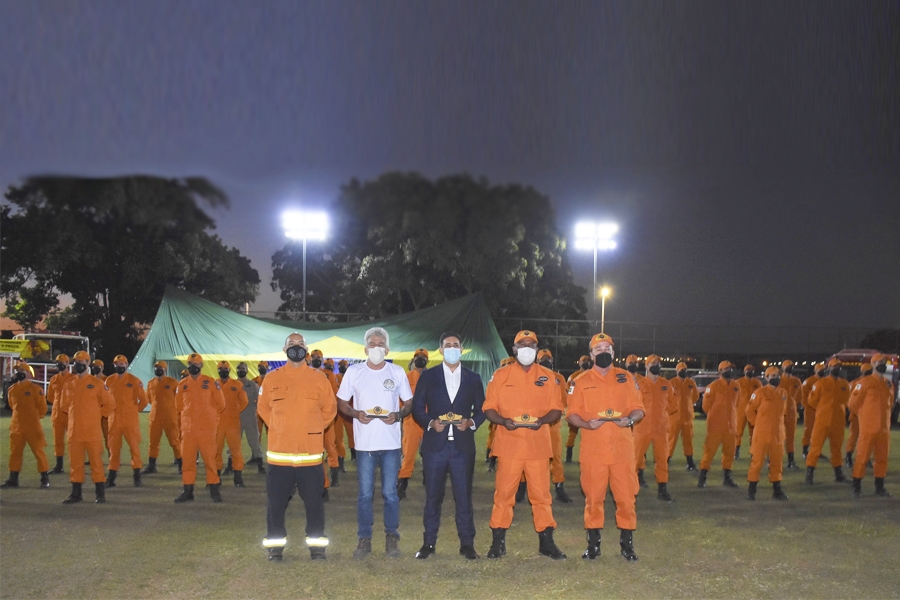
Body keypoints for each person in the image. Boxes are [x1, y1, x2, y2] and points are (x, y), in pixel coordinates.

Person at [483, 330, 566, 560]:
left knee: (541, 496)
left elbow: (557, 409)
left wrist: (543, 420)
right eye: (522, 344)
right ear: (514, 348)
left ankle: (546, 543)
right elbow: (489, 408)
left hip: (538, 448)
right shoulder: (501, 376)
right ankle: (498, 543)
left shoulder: (549, 377)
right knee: (504, 496)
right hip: (509, 446)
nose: (527, 348)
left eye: (531, 344)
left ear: (537, 349)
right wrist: (502, 421)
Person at [257, 333, 336, 561]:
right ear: (284, 349)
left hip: (310, 458)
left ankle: (317, 547)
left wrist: (312, 428)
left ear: (307, 350)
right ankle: (275, 548)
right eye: (292, 345)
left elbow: (329, 410)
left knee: (315, 505)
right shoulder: (271, 379)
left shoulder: (319, 379)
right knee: (275, 505)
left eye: (300, 345)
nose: (296, 348)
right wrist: (281, 426)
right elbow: (263, 408)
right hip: (279, 457)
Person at [336, 327, 413, 559]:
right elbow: (341, 402)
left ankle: (392, 537)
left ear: (387, 348)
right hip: (365, 445)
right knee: (365, 494)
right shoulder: (354, 372)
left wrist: (398, 415)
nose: (376, 348)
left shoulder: (397, 372)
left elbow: (409, 402)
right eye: (372, 344)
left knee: (390, 493)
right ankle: (364, 538)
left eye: (381, 344)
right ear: (365, 348)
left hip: (390, 444)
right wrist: (355, 413)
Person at [566, 333, 644, 561]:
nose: (603, 352)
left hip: (622, 452)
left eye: (607, 348)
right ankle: (593, 545)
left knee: (627, 499)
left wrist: (629, 420)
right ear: (591, 354)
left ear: (613, 352)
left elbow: (639, 409)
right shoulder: (579, 382)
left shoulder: (626, 378)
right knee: (593, 499)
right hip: (594, 452)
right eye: (598, 349)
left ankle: (627, 545)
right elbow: (571, 415)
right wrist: (586, 424)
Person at [410, 332, 485, 560]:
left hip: (462, 448)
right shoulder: (429, 377)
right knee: (433, 496)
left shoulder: (473, 378)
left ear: (461, 349)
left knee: (463, 497)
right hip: (435, 447)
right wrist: (430, 423)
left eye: (456, 345)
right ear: (440, 350)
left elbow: (483, 409)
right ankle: (428, 544)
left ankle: (467, 544)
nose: (452, 348)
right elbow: (416, 408)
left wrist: (471, 422)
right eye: (447, 345)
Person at [58, 351, 115, 504]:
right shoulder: (69, 384)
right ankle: (76, 493)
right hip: (74, 431)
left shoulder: (97, 384)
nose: (78, 364)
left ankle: (100, 493)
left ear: (88, 363)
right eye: (76, 361)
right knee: (75, 464)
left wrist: (97, 414)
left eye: (81, 361)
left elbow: (110, 404)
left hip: (92, 432)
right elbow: (63, 406)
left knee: (96, 463)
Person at [174, 353, 226, 503]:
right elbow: (178, 406)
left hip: (206, 430)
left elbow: (221, 404)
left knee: (210, 460)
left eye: (196, 364)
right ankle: (188, 490)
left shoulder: (210, 383)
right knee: (188, 461)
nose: (193, 366)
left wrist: (209, 417)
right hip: (189, 430)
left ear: (201, 366)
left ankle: (214, 488)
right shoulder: (182, 384)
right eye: (190, 364)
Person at [848, 354, 893, 498]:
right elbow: (852, 404)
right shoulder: (865, 382)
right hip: (868, 428)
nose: (882, 364)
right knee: (862, 457)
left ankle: (879, 486)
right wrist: (865, 416)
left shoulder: (888, 383)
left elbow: (890, 404)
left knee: (881, 458)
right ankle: (856, 486)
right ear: (873, 364)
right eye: (879, 362)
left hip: (884, 428)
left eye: (884, 362)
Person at [1, 363, 51, 489]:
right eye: (18, 370)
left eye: (22, 370)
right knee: (15, 453)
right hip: (17, 426)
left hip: (32, 427)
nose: (19, 372)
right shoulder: (12, 389)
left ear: (28, 373)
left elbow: (42, 408)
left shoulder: (35, 389)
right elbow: (13, 406)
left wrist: (32, 418)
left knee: (39, 452)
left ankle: (45, 478)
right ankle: (13, 478)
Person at [104, 354, 149, 488]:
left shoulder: (134, 381)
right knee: (113, 449)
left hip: (130, 421)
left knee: (134, 449)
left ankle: (137, 476)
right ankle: (111, 478)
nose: (120, 366)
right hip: (114, 421)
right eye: (117, 364)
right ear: (114, 365)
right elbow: (105, 400)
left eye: (122, 364)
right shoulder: (109, 381)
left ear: (126, 364)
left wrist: (135, 410)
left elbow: (144, 400)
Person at [745, 367, 790, 501]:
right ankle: (751, 490)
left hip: (777, 435)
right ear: (767, 377)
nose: (776, 378)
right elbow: (749, 411)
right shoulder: (759, 393)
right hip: (762, 434)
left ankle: (777, 490)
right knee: (757, 463)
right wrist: (757, 424)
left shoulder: (783, 393)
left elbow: (783, 413)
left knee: (777, 463)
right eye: (773, 376)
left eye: (778, 375)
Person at [633, 354, 674, 501]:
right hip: (642, 428)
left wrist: (660, 417)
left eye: (658, 363)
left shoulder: (666, 384)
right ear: (646, 366)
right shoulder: (639, 384)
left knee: (662, 459)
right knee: (635, 460)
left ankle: (662, 489)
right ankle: (631, 490)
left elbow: (672, 405)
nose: (656, 365)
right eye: (653, 363)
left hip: (661, 429)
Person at [805, 358, 851, 485]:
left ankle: (838, 474)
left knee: (836, 448)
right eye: (834, 367)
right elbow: (812, 401)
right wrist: (823, 409)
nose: (837, 369)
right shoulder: (820, 384)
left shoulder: (844, 384)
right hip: (822, 421)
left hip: (838, 421)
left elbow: (847, 401)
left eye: (838, 367)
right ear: (829, 368)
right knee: (815, 448)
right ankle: (810, 473)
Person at [537, 349, 573, 503]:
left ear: (552, 360)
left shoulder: (559, 378)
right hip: (535, 426)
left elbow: (565, 401)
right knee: (532, 458)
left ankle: (559, 488)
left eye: (548, 358)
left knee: (556, 458)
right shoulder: (531, 377)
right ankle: (524, 487)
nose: (546, 361)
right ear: (537, 360)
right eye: (543, 358)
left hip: (553, 426)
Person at [698, 361, 740, 489]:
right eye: (726, 369)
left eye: (730, 368)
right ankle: (702, 477)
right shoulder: (713, 386)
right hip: (715, 426)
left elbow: (737, 403)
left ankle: (727, 478)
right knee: (709, 452)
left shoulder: (736, 385)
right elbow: (705, 406)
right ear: (720, 371)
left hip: (731, 426)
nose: (729, 371)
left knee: (729, 452)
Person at [398, 348, 429, 500]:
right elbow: (400, 400)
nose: (420, 359)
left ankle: (429, 480)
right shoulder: (406, 378)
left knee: (430, 453)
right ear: (413, 359)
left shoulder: (433, 378)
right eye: (418, 357)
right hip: (411, 421)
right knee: (408, 454)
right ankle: (402, 483)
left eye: (423, 357)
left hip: (429, 421)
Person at [310, 349, 341, 491]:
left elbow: (334, 397)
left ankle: (334, 473)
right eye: (314, 357)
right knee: (314, 451)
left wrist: (328, 416)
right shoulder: (305, 376)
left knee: (330, 446)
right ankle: (320, 482)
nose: (316, 359)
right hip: (309, 420)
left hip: (326, 419)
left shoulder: (328, 376)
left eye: (319, 357)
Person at [143, 360, 181, 475]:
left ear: (165, 369)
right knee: (153, 442)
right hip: (155, 418)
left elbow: (179, 398)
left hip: (170, 417)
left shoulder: (173, 382)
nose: (158, 369)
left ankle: (181, 464)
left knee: (174, 442)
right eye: (156, 367)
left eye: (160, 367)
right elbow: (149, 399)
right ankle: (151, 465)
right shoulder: (151, 383)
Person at [215, 361, 249, 487]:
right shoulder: (214, 384)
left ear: (229, 370)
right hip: (217, 424)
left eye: (225, 368)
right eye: (220, 368)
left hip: (233, 424)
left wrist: (235, 411)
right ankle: (216, 477)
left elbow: (244, 401)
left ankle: (238, 477)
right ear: (218, 370)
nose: (223, 370)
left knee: (236, 451)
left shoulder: (237, 384)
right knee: (216, 451)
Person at [668, 361, 699, 471]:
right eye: (681, 370)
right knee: (671, 440)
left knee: (688, 440)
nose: (683, 372)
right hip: (674, 417)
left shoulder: (691, 383)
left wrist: (688, 406)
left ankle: (690, 463)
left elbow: (695, 396)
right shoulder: (671, 383)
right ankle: (666, 461)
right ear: (677, 371)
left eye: (685, 370)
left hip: (687, 417)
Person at [47, 354, 74, 475]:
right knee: (58, 441)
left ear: (67, 363)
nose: (60, 364)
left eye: (62, 362)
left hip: (70, 415)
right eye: (58, 362)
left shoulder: (73, 379)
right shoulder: (54, 379)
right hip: (57, 415)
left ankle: (75, 464)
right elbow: (51, 397)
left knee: (73, 441)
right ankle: (59, 465)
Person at [235, 362, 265, 473]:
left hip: (250, 417)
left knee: (254, 441)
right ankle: (232, 466)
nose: (240, 371)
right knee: (234, 443)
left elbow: (260, 400)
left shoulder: (253, 385)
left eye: (243, 369)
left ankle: (260, 465)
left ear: (247, 371)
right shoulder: (233, 384)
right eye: (238, 369)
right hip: (236, 418)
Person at [564, 355, 593, 463]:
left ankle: (589, 456)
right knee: (572, 433)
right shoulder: (574, 376)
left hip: (590, 410)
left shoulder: (594, 375)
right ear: (579, 363)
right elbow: (568, 392)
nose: (586, 362)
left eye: (587, 360)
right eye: (583, 361)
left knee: (591, 435)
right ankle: (569, 456)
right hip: (577, 409)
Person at [844, 362, 872, 468]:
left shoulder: (869, 382)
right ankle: (849, 457)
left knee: (867, 438)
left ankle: (865, 458)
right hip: (857, 415)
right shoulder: (855, 383)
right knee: (854, 437)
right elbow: (850, 401)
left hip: (867, 416)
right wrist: (858, 412)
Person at [778, 360, 802, 469]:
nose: (790, 369)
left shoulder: (796, 381)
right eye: (788, 367)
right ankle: (773, 460)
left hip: (791, 412)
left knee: (791, 437)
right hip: (779, 412)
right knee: (777, 437)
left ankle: (790, 461)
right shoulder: (778, 380)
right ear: (783, 368)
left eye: (791, 367)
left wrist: (797, 406)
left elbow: (799, 397)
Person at [734, 364, 761, 460]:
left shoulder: (757, 382)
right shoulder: (738, 382)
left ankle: (753, 452)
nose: (750, 371)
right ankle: (736, 451)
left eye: (752, 370)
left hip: (753, 411)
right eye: (748, 370)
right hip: (740, 410)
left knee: (754, 432)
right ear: (744, 371)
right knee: (738, 431)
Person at [801, 362, 825, 458]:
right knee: (808, 430)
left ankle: (817, 451)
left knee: (820, 432)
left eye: (823, 369)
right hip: (811, 409)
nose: (822, 371)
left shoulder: (825, 381)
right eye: (820, 369)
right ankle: (805, 451)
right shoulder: (809, 381)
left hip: (822, 410)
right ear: (815, 370)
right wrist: (807, 406)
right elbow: (804, 395)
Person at [335, 359, 356, 463]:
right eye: (340, 365)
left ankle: (354, 455)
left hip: (349, 410)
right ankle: (341, 459)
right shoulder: (334, 378)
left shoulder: (351, 378)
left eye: (344, 365)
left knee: (352, 434)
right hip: (338, 411)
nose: (342, 367)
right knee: (338, 436)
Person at [90, 359, 110, 451]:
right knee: (92, 436)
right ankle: (93, 457)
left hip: (104, 412)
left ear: (102, 367)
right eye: (93, 366)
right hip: (93, 412)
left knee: (108, 435)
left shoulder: (107, 380)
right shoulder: (89, 380)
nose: (95, 368)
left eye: (97, 366)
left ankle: (112, 456)